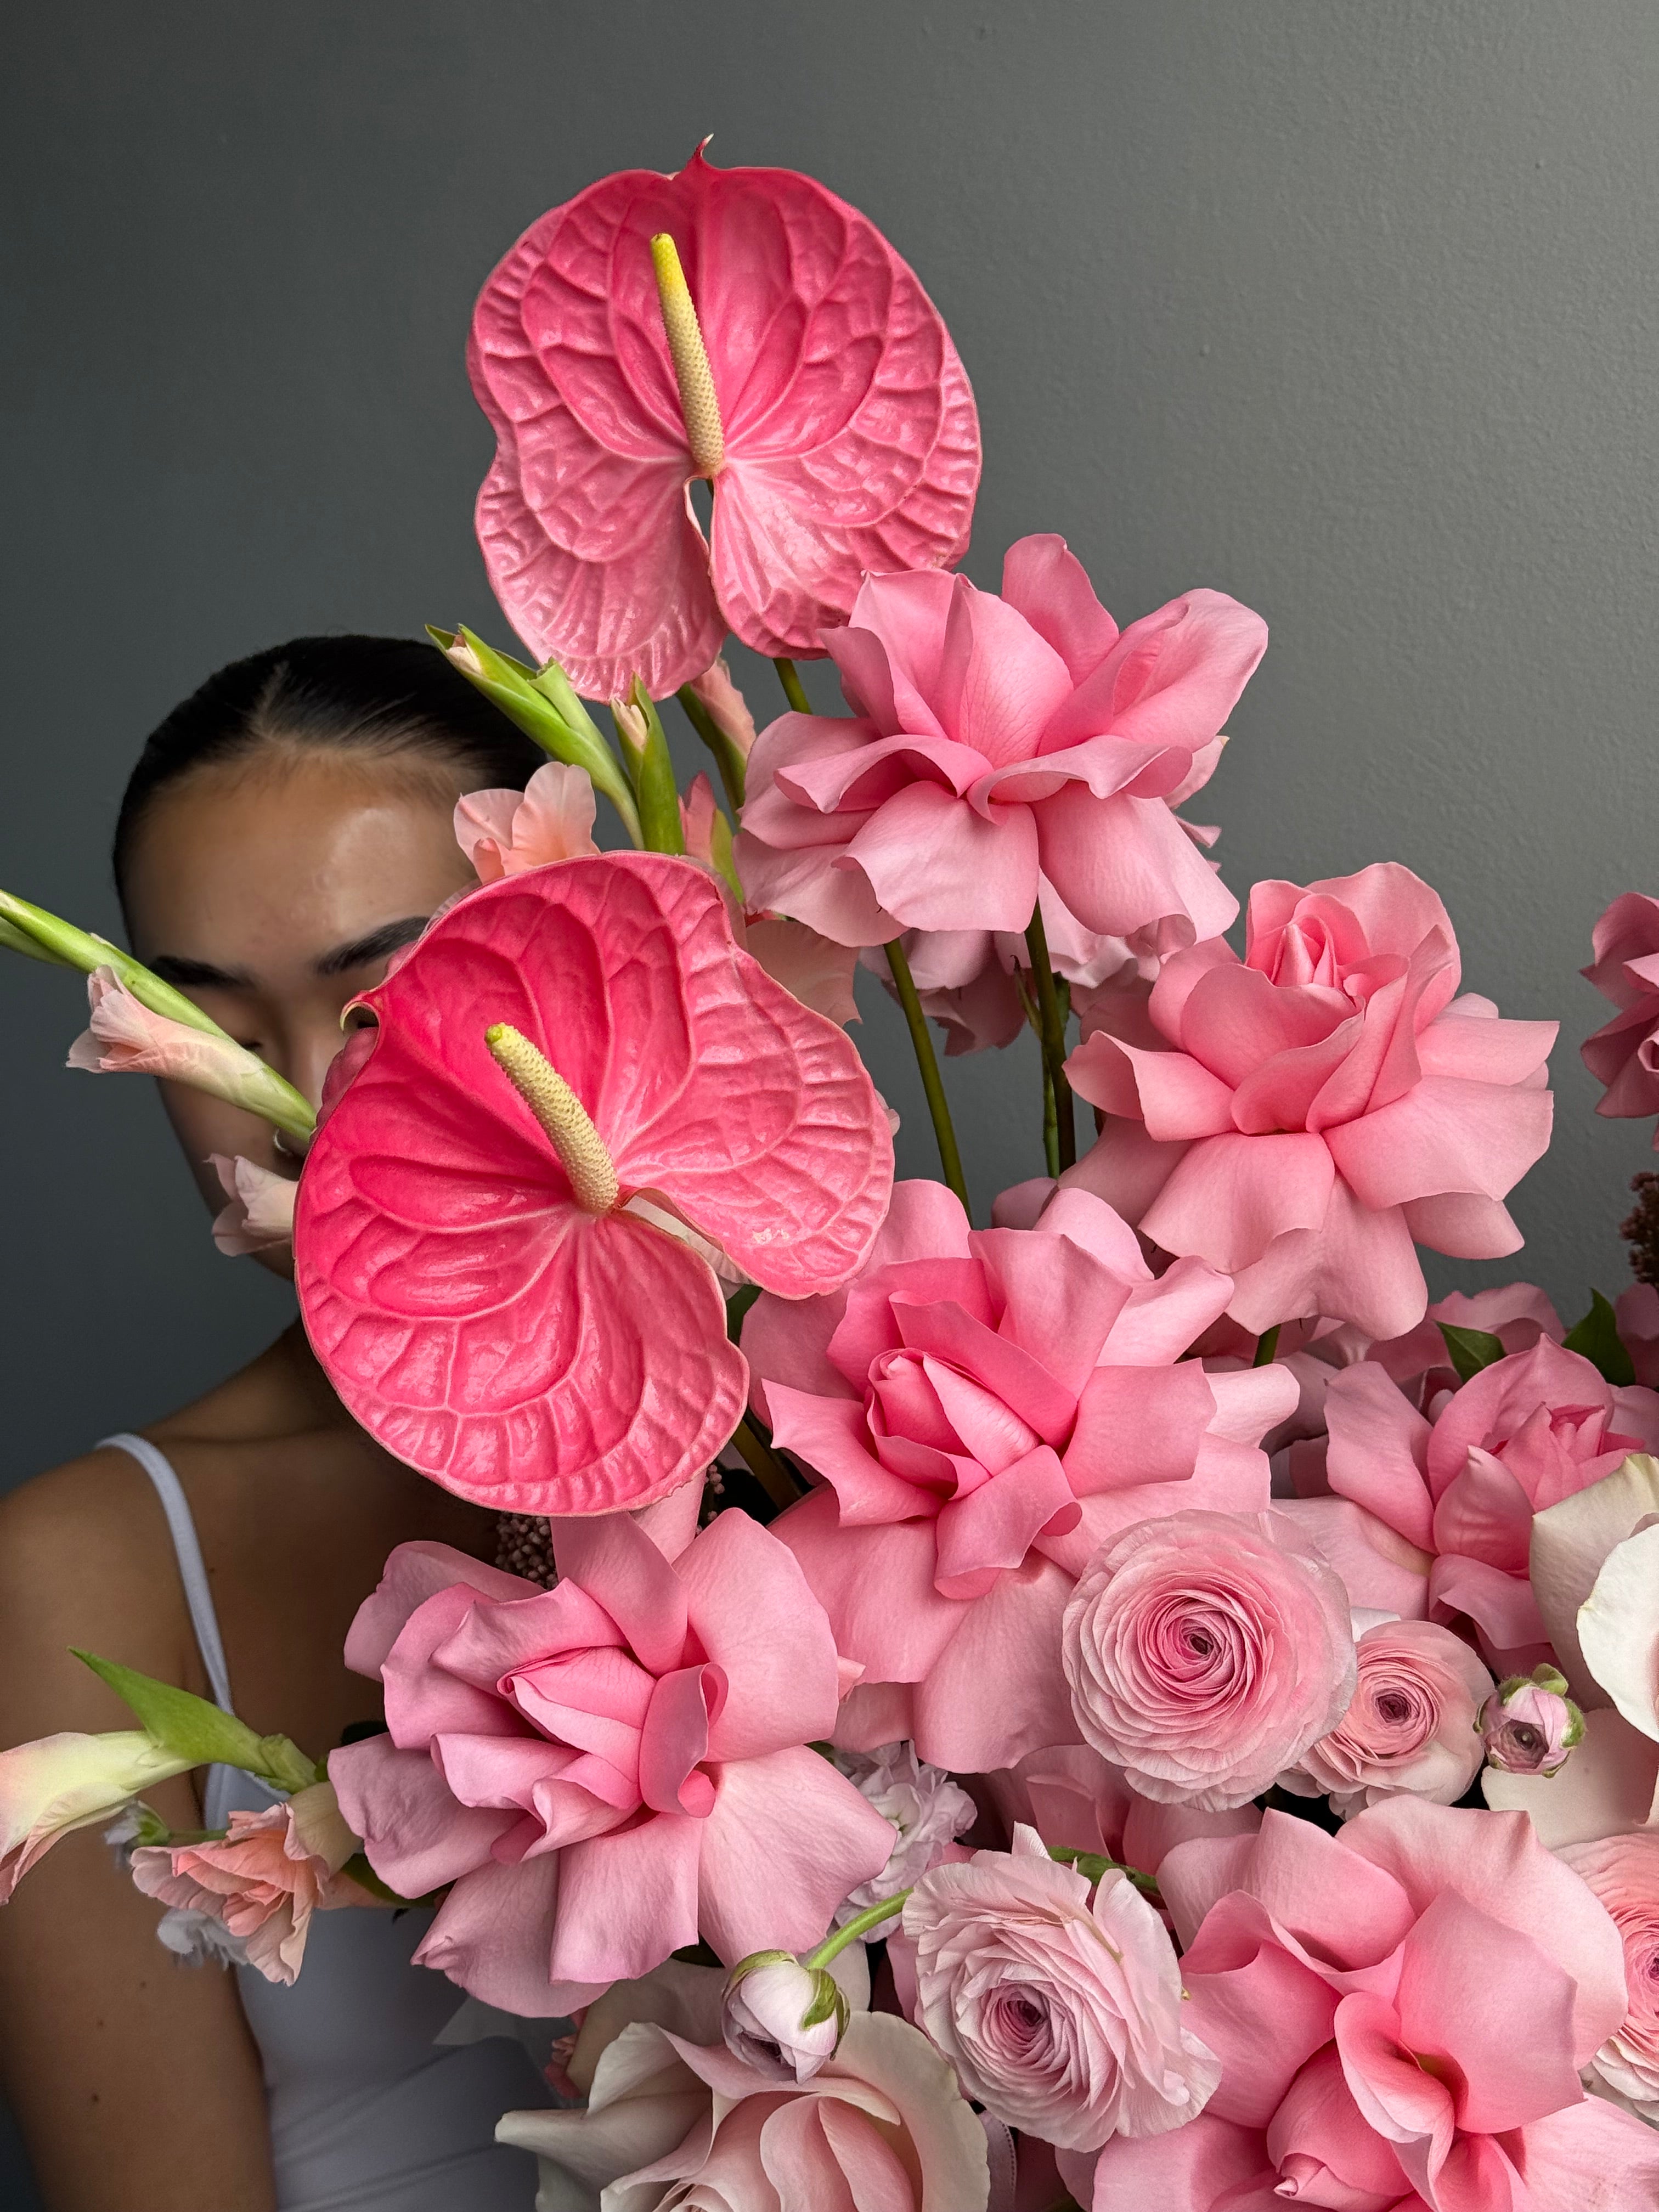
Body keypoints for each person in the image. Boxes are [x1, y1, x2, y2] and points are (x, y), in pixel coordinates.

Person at [0, 637, 561, 2212]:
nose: (309, 1099)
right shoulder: (87, 1567)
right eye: (211, 1035)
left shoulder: (835, 1420)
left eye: (380, 999)